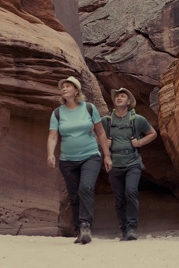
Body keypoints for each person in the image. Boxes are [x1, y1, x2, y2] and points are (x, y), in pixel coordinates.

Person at [47, 76, 112, 245]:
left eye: (68, 86)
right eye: (63, 86)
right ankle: (79, 230)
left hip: (90, 155)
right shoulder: (57, 112)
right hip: (67, 160)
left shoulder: (89, 108)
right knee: (74, 195)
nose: (64, 88)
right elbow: (53, 136)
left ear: (76, 91)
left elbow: (101, 133)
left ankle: (85, 225)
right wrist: (50, 153)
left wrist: (106, 155)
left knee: (86, 187)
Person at [102, 87, 157, 241]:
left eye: (122, 96)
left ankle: (132, 227)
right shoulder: (107, 120)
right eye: (117, 96)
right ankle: (124, 229)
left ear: (128, 102)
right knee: (119, 198)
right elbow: (94, 133)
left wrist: (139, 143)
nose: (119, 98)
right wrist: (103, 143)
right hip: (113, 164)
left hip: (133, 162)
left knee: (131, 192)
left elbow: (153, 133)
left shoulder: (137, 119)